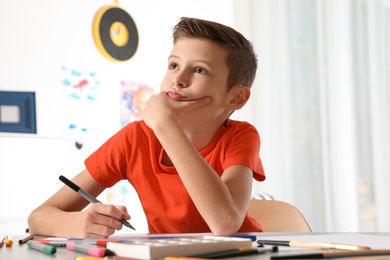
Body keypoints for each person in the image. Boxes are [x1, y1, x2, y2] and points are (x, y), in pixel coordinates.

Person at [28, 17, 265, 238]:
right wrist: (78, 224)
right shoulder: (135, 138)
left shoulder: (241, 136)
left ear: (237, 98)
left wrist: (165, 125)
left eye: (199, 70)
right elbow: (38, 217)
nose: (178, 79)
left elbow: (225, 223)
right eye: (173, 65)